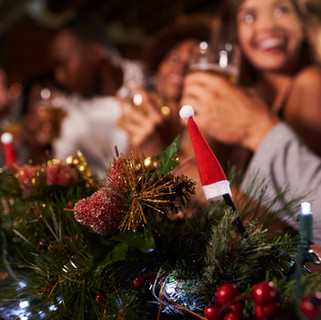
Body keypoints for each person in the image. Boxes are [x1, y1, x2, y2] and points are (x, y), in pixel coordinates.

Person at [180, 0, 321, 241]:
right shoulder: (253, 99)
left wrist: (196, 181)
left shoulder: (310, 83)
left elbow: (297, 223)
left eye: (281, 10)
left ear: (301, 23)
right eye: (249, 17)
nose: (268, 25)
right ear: (235, 34)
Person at [47, 16, 145, 179]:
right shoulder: (68, 111)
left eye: (62, 63)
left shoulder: (149, 82)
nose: (59, 78)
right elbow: (61, 172)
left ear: (95, 52)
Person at [118, 15, 216, 159]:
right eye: (173, 58)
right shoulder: (136, 114)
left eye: (191, 63)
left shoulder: (206, 124)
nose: (180, 67)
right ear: (157, 70)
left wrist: (163, 150)